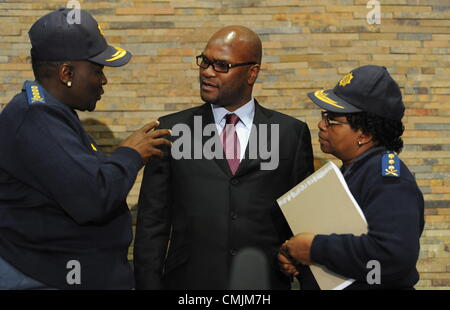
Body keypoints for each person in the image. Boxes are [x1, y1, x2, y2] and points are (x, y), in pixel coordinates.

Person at [0, 9, 171, 290]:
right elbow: (92, 198)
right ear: (67, 72)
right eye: (97, 70)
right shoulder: (36, 119)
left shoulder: (53, 114)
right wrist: (129, 155)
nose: (103, 80)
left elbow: (76, 179)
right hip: (43, 279)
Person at [133, 25, 314, 290]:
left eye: (221, 66)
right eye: (205, 61)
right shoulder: (171, 132)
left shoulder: (290, 133)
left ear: (252, 73)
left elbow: (302, 220)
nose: (207, 72)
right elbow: (152, 225)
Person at [278, 65, 425, 289]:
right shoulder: (354, 170)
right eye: (324, 116)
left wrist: (314, 249)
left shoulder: (388, 177)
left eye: (332, 120)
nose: (321, 124)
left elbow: (393, 255)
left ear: (364, 134)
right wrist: (300, 260)